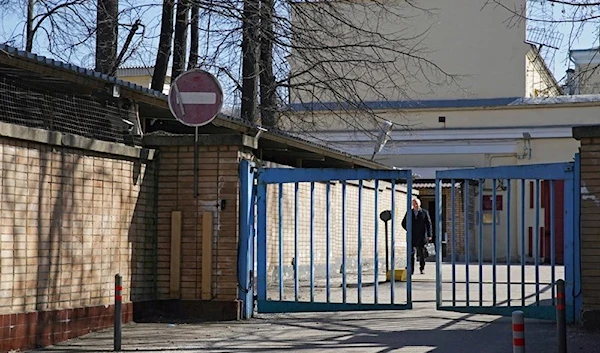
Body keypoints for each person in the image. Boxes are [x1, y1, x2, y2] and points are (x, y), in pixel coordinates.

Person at [401, 197, 432, 275]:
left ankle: (422, 268)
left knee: (422, 254)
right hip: (412, 236)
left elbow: (428, 224)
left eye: (416, 203)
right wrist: (409, 229)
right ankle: (411, 269)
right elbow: (403, 223)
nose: (415, 205)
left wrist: (429, 235)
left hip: (421, 236)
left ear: (419, 204)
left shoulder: (424, 212)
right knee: (411, 253)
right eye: (414, 203)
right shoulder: (409, 213)